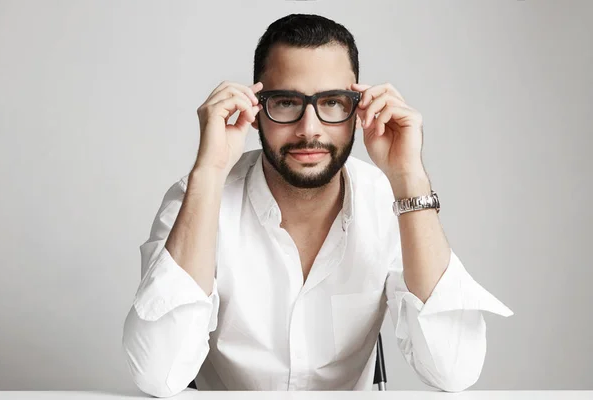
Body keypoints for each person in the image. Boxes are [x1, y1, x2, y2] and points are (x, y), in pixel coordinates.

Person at [122, 13, 513, 397]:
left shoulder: (385, 202)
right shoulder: (198, 197)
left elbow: (454, 370)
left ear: (357, 110)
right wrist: (209, 172)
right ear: (256, 110)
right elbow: (158, 374)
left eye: (331, 102)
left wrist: (409, 177)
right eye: (287, 102)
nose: (309, 129)